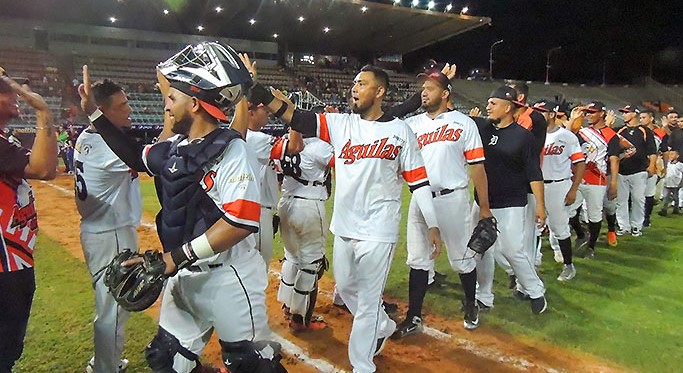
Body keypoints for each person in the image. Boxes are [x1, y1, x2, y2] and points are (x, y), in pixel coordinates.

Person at [80, 42, 286, 373]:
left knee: (250, 364)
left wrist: (171, 259)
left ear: (194, 103)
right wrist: (93, 113)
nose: (167, 106)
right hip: (184, 277)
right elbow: (134, 155)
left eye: (172, 98)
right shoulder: (174, 148)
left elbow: (239, 222)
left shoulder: (232, 152)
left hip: (229, 279)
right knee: (166, 360)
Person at [248, 62, 442, 373]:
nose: (354, 87)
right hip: (345, 226)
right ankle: (382, 325)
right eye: (354, 82)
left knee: (365, 303)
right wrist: (255, 87)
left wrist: (432, 224)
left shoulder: (400, 132)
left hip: (379, 229)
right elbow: (295, 117)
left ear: (379, 92)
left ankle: (362, 365)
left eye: (362, 83)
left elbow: (419, 182)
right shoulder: (341, 124)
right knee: (348, 289)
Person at [391, 70, 491, 336]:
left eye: (431, 88)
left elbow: (477, 167)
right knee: (418, 260)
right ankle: (414, 316)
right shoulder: (411, 125)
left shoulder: (463, 123)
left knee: (461, 259)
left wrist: (484, 207)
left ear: (445, 94)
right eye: (423, 88)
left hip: (453, 199)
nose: (424, 92)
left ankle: (471, 304)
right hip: (420, 199)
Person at [73, 79, 140, 373]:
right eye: (122, 105)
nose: (129, 110)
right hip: (112, 233)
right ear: (101, 110)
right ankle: (104, 368)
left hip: (96, 231)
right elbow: (149, 158)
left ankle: (106, 362)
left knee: (108, 306)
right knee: (113, 310)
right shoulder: (107, 147)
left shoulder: (86, 137)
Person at [472, 86, 547, 314]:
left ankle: (535, 291)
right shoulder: (483, 129)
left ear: (508, 107)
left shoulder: (523, 136)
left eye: (493, 103)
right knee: (480, 249)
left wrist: (541, 206)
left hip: (511, 202)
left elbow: (533, 172)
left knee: (512, 250)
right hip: (482, 201)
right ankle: (483, 296)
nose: (488, 106)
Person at [0, 74, 57, 373]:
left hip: (13, 262)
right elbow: (42, 168)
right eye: (11, 93)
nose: (18, 97)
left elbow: (46, 168)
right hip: (4, 268)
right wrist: (43, 113)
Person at [244, 97, 303, 267]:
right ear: (250, 111)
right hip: (258, 211)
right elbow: (296, 146)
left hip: (244, 209)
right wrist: (292, 114)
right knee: (258, 271)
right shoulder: (256, 138)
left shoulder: (238, 136)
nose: (268, 113)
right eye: (264, 109)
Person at [532, 100, 585, 281]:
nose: (538, 115)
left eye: (542, 111)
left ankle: (568, 266)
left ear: (553, 114)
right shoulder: (531, 135)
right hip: (536, 185)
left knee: (560, 227)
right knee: (534, 227)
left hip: (558, 185)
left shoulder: (567, 136)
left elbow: (579, 163)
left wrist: (573, 189)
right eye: (536, 111)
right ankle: (532, 264)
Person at [569, 102, 621, 258]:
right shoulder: (582, 131)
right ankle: (581, 234)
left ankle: (591, 247)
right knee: (570, 212)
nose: (588, 115)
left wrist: (613, 183)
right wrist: (574, 118)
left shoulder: (611, 135)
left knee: (594, 215)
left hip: (597, 179)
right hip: (578, 177)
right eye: (587, 112)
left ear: (601, 113)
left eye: (592, 112)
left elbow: (614, 159)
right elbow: (567, 134)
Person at [615, 105, 657, 237]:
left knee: (638, 199)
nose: (623, 115)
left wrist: (651, 165)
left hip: (639, 170)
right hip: (622, 170)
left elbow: (652, 150)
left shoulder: (644, 131)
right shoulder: (620, 130)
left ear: (634, 114)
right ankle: (623, 226)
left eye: (626, 113)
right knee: (621, 200)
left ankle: (636, 226)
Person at [641, 110, 668, 227]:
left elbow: (665, 151)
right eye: (640, 117)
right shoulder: (637, 131)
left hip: (653, 165)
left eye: (643, 117)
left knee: (649, 192)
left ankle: (646, 218)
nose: (641, 119)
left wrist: (665, 167)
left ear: (651, 118)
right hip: (637, 165)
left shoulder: (660, 134)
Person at [658, 150, 683, 216]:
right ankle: (664, 210)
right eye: (670, 154)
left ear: (677, 156)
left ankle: (676, 209)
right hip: (667, 183)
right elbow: (664, 171)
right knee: (666, 197)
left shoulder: (680, 165)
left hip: (675, 184)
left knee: (675, 197)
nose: (670, 156)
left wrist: (681, 182)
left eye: (672, 154)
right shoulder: (667, 164)